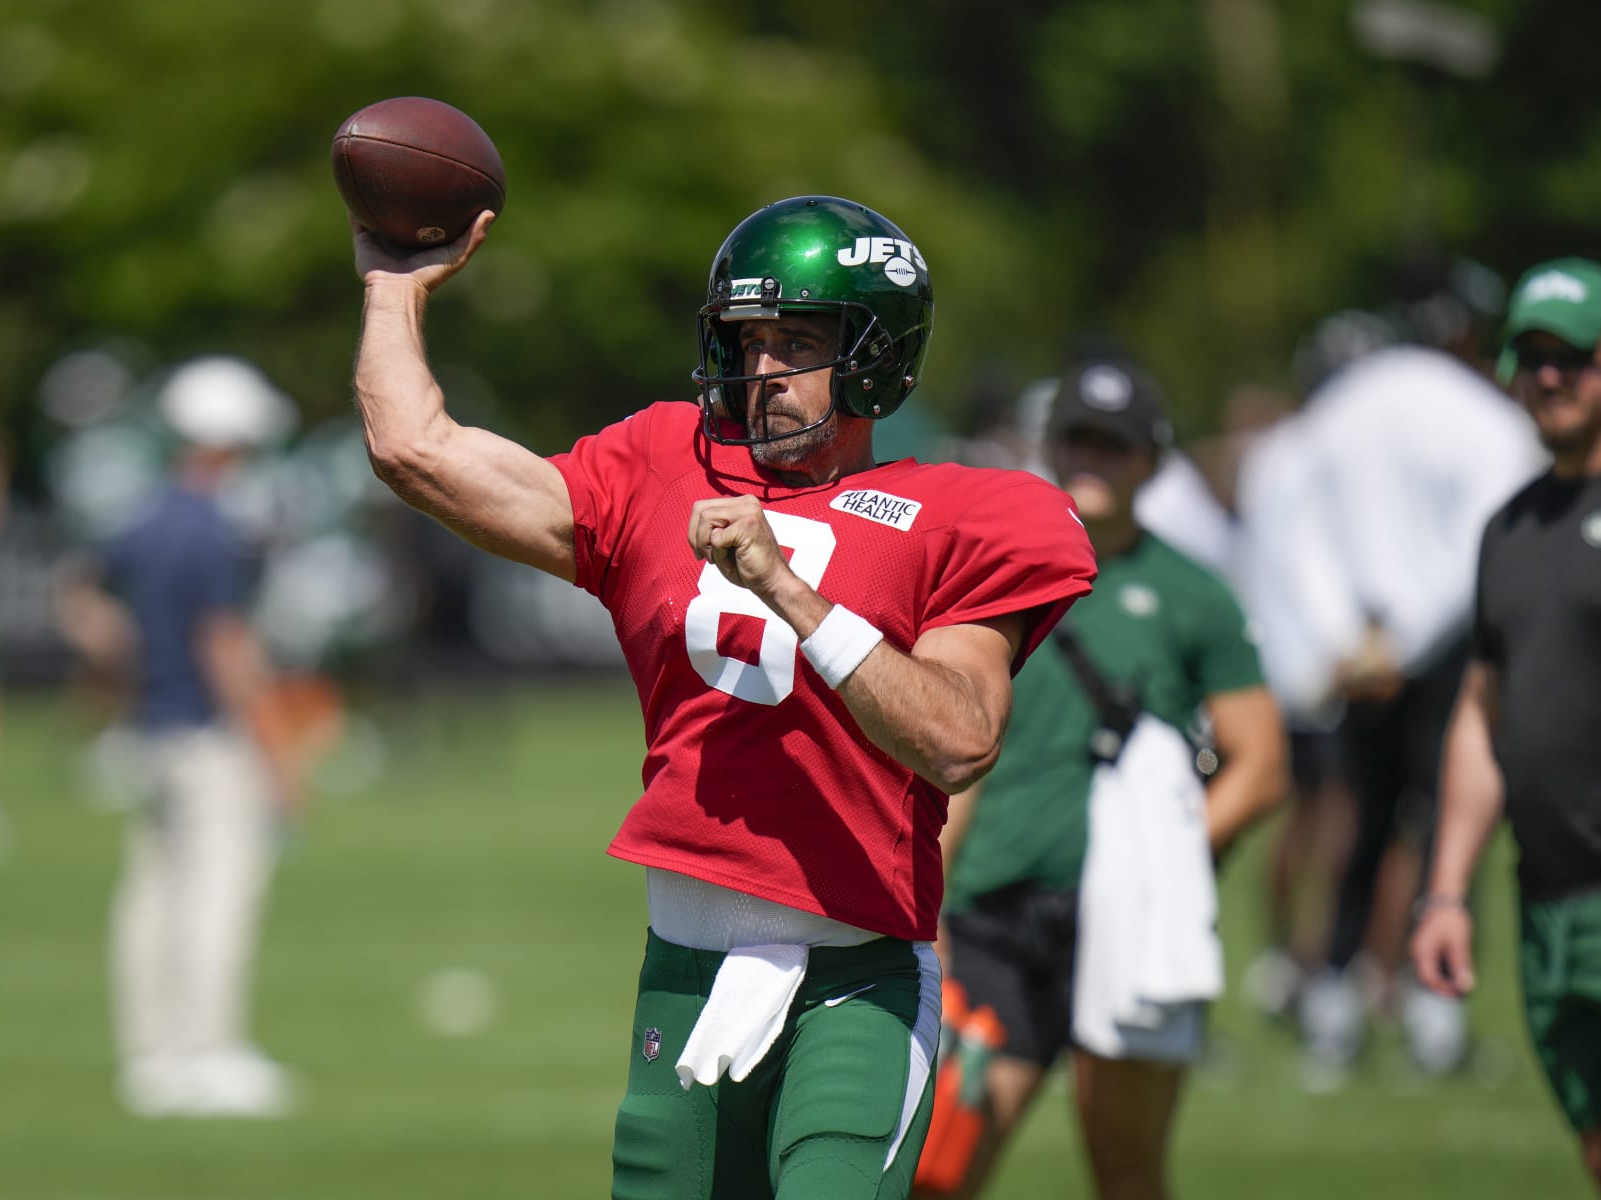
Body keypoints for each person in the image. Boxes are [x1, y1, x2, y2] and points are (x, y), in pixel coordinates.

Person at [351, 195, 1096, 1198]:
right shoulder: (662, 464)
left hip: (856, 978)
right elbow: (418, 451)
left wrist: (788, 589)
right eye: (747, 342)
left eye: (796, 342)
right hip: (684, 966)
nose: (763, 371)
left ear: (875, 356)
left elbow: (958, 741)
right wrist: (393, 284)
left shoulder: (967, 511)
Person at [919, 357, 1286, 1200]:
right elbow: (955, 747)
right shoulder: (997, 576)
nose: (1095, 458)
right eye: (1079, 438)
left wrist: (1171, 859)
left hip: (1127, 923)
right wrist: (925, 892)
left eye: (1116, 444)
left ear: (1152, 460)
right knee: (938, 1171)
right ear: (1051, 447)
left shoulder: (1195, 596)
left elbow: (1262, 764)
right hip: (998, 915)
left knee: (1126, 1173)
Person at [1411, 257, 1601, 1200]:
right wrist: (1445, 893)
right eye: (1530, 355)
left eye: (1573, 356)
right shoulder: (1508, 529)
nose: (1549, 375)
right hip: (1549, 902)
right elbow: (1484, 713)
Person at [1267, 296, 1542, 1085]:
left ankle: (1333, 1004)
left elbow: (1297, 528)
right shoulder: (1478, 413)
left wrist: (1346, 637)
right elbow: (1487, 538)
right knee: (1448, 828)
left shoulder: (1340, 407)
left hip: (1360, 649)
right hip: (1443, 648)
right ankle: (1434, 1014)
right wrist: (1412, 639)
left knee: (1360, 827)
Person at [64, 355, 305, 1119]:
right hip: (206, 734)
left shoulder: (145, 515)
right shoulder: (210, 527)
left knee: (152, 896)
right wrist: (278, 760)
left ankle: (153, 1057)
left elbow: (76, 596)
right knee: (216, 896)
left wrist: (122, 660)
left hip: (151, 727)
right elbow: (225, 648)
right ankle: (209, 1054)